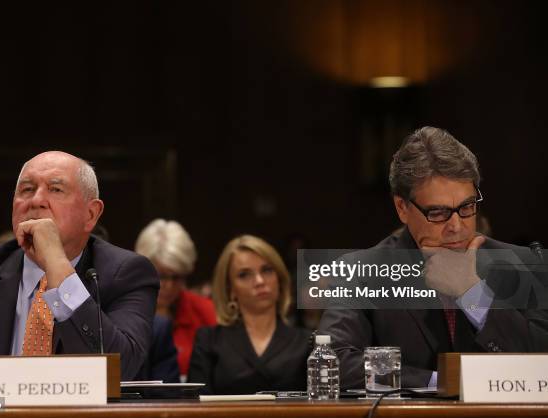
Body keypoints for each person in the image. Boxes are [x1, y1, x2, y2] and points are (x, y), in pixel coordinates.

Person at [319, 127, 548, 389]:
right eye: (438, 212)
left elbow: (543, 360)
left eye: (467, 207)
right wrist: (441, 383)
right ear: (402, 208)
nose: (457, 226)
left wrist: (472, 293)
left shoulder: (525, 263)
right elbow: (331, 362)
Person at [0, 151, 159, 388]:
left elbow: (119, 370)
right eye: (27, 190)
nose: (36, 200)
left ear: (91, 214)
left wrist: (56, 262)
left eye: (55, 189)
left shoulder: (127, 274)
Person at [188, 235, 311, 394]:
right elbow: (195, 408)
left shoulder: (307, 342)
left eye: (267, 270)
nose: (259, 281)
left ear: (279, 279)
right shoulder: (209, 340)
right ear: (230, 289)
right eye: (244, 274)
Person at [135, 219, 216, 378]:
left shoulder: (205, 311)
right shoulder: (122, 309)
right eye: (161, 275)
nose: (169, 286)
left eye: (177, 277)